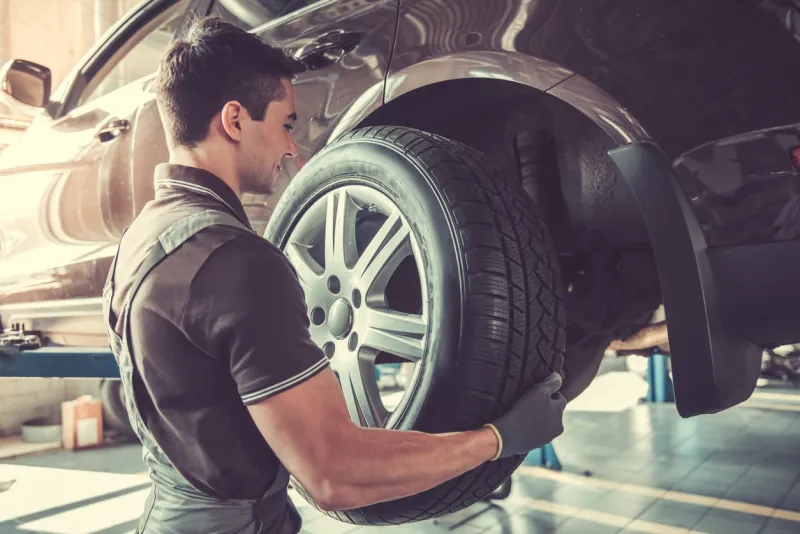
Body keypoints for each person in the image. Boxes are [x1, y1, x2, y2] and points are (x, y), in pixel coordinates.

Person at [102, 16, 567, 534]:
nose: (291, 149)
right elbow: (333, 476)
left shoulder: (138, 242)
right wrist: (499, 438)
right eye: (284, 123)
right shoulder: (235, 260)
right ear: (234, 120)